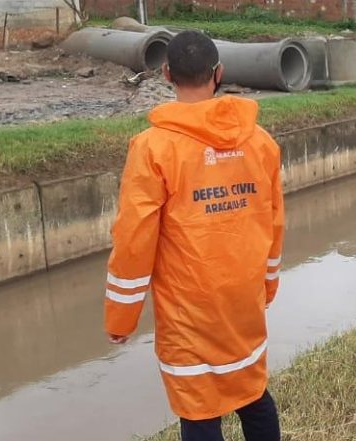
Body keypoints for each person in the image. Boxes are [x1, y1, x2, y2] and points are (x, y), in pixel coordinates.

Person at [104, 31, 285, 441]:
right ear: (219, 73)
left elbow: (134, 238)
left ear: (167, 74)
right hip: (244, 300)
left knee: (199, 410)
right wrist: (267, 287)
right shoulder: (260, 143)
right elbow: (274, 224)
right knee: (252, 393)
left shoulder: (152, 148)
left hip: (188, 311)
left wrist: (121, 314)